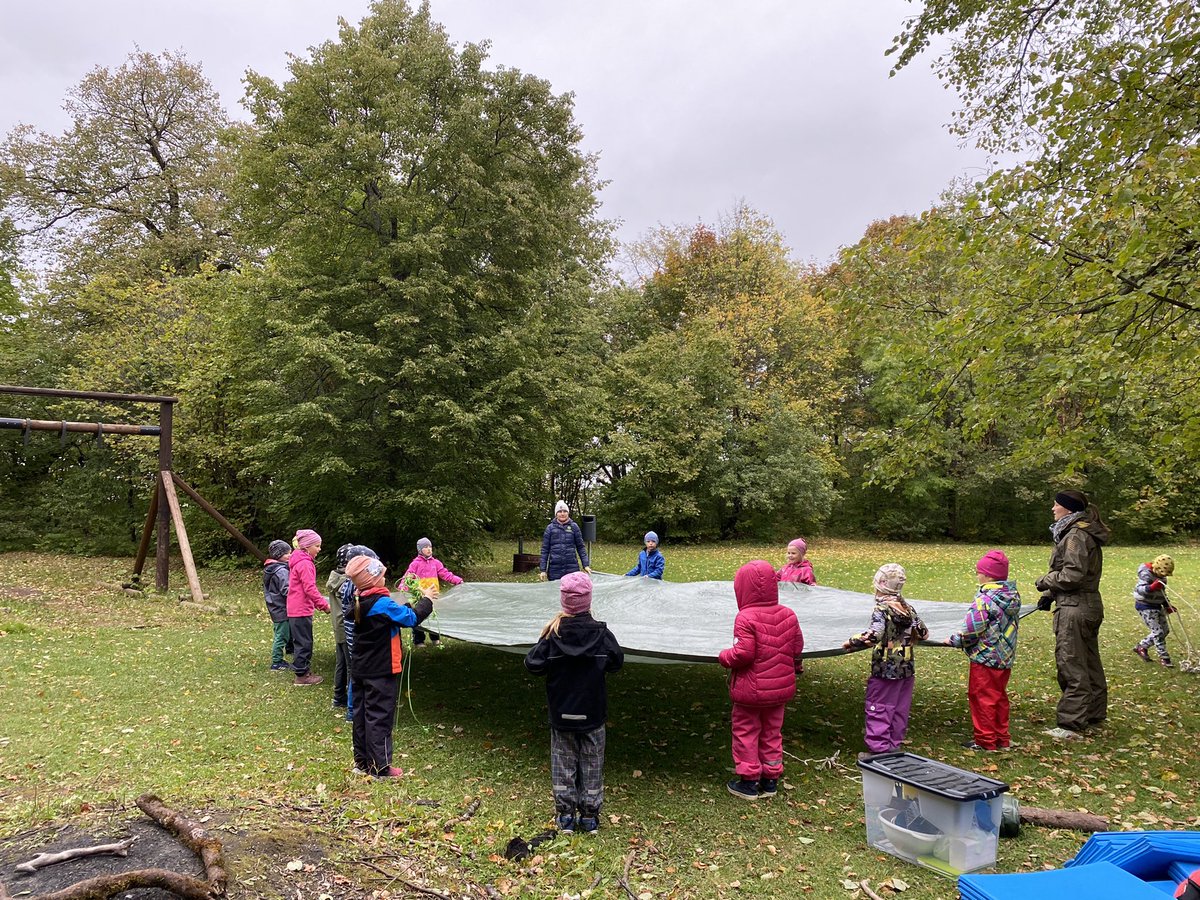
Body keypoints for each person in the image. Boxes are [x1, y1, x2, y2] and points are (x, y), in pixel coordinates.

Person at [524, 572, 623, 834]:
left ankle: (565, 816)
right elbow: (616, 662)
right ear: (588, 601)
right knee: (592, 763)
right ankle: (589, 817)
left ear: (564, 602)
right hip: (592, 713)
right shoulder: (602, 634)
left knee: (563, 763)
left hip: (562, 713)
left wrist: (544, 637)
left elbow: (532, 663)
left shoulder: (552, 635)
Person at [718, 560, 805, 800]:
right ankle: (770, 779)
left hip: (750, 691)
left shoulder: (745, 617)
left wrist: (724, 656)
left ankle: (748, 781)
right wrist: (795, 667)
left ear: (742, 589)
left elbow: (743, 653)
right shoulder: (788, 614)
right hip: (779, 690)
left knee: (746, 730)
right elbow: (797, 647)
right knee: (772, 731)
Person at [345, 553, 433, 779]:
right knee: (379, 717)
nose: (385, 578)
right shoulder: (382, 603)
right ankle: (381, 767)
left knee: (362, 716)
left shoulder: (360, 600)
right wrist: (427, 600)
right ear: (374, 580)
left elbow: (394, 615)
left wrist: (410, 603)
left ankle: (362, 763)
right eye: (382, 575)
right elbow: (411, 619)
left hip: (361, 669)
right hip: (381, 670)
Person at [1034, 489, 1110, 740]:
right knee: (1088, 661)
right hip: (1085, 604)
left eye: (1056, 505)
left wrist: (1045, 581)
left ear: (1068, 509)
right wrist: (1049, 596)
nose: (1053, 509)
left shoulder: (1075, 535)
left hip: (1075, 608)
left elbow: (1073, 575)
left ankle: (1070, 724)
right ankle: (1094, 713)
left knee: (1071, 663)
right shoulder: (1076, 532)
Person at [844, 564, 928, 759]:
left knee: (879, 706)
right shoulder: (908, 608)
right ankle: (893, 744)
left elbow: (874, 635)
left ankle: (878, 749)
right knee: (899, 708)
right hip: (906, 668)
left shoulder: (882, 609)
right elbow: (923, 633)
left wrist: (852, 641)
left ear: (881, 586)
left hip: (885, 668)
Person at [945, 550, 1021, 751]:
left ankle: (986, 741)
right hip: (1004, 657)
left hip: (985, 657)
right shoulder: (1011, 596)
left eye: (979, 571)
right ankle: (1002, 738)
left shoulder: (985, 600)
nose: (977, 575)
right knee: (998, 697)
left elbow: (971, 629)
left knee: (982, 698)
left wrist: (954, 640)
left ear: (987, 575)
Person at [287, 528, 331, 687]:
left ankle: (303, 670)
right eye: (317, 546)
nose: (319, 549)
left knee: (301, 641)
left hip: (296, 608)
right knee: (304, 643)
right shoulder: (305, 563)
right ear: (306, 546)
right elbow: (310, 588)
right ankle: (301, 676)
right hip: (300, 609)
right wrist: (323, 605)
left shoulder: (298, 560)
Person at [404, 537, 463, 647]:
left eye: (430, 547)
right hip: (419, 596)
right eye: (425, 547)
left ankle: (435, 638)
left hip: (433, 595)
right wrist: (404, 586)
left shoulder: (436, 563)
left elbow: (445, 574)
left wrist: (457, 580)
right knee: (419, 617)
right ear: (420, 550)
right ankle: (419, 640)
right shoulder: (415, 564)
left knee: (433, 616)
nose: (429, 549)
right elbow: (408, 577)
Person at [1133, 554, 1176, 668]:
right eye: (1162, 573)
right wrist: (1151, 587)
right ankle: (1164, 658)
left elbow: (1162, 593)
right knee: (1158, 632)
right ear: (1156, 568)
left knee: (1165, 630)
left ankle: (1141, 646)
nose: (1164, 576)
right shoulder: (1146, 574)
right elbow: (1140, 589)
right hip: (1145, 606)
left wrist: (1167, 605)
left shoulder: (1162, 577)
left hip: (1157, 605)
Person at [326, 544, 354, 708]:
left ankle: (339, 697)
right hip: (346, 627)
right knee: (350, 665)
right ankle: (351, 702)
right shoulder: (345, 583)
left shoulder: (334, 577)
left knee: (341, 662)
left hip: (339, 626)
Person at [539, 500, 591, 582]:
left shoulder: (574, 527)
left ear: (568, 513)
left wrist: (586, 565)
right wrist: (543, 570)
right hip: (554, 570)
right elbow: (545, 550)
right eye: (559, 511)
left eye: (564, 511)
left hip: (572, 569)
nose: (562, 514)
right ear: (556, 514)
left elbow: (580, 547)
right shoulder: (550, 528)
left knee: (572, 593)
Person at [263, 540, 293, 671]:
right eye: (287, 553)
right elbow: (287, 589)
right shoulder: (281, 571)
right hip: (281, 608)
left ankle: (289, 650)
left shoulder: (271, 568)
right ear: (278, 555)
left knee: (283, 631)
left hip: (275, 606)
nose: (290, 555)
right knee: (281, 635)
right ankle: (277, 661)